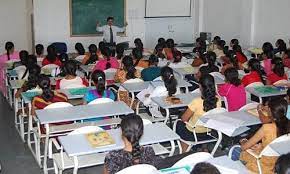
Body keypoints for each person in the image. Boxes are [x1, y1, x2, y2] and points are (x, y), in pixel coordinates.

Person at [238, 98, 290, 174]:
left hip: (263, 165)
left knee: (235, 150)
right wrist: (262, 147)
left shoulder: (267, 128)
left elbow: (244, 147)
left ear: (269, 110)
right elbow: (278, 143)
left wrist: (243, 141)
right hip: (283, 162)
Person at [176, 74, 222, 152]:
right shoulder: (218, 100)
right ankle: (204, 147)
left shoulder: (196, 102)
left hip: (193, 134)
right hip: (210, 132)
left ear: (200, 86)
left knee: (179, 123)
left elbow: (184, 119)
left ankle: (184, 151)